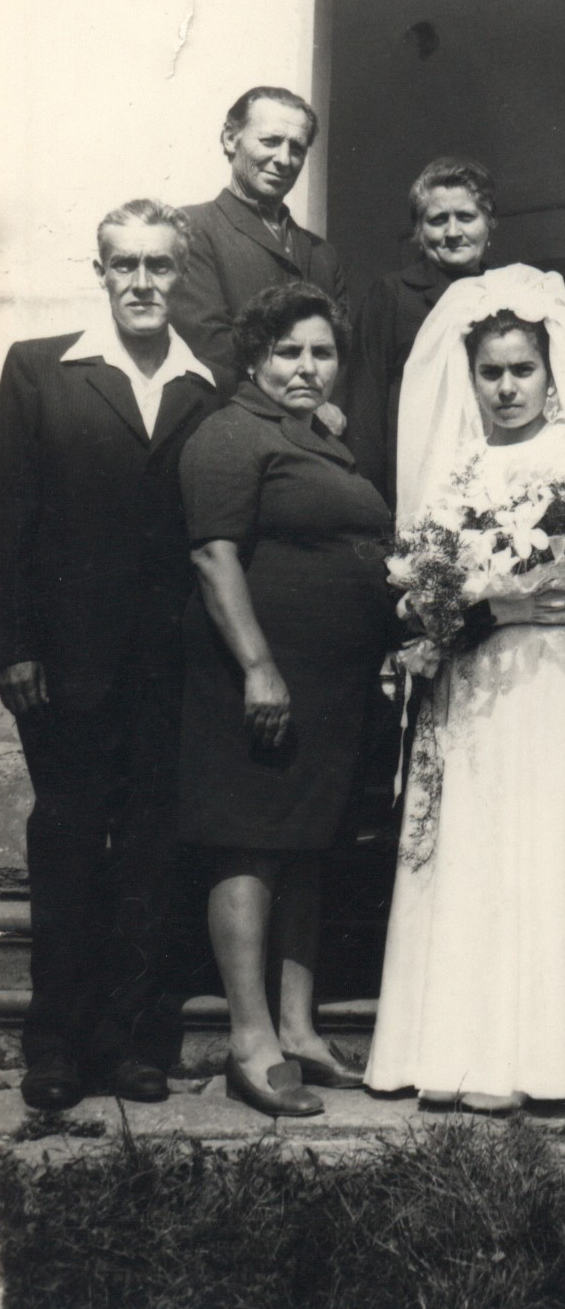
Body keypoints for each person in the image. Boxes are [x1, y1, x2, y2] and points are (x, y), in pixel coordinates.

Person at [365, 265, 565, 1113]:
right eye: (491, 372)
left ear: (550, 373)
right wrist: (436, 605)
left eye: (522, 370)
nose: (507, 388)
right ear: (469, 376)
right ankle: (448, 1049)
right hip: (469, 683)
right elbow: (420, 574)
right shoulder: (456, 467)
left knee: (538, 847)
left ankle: (537, 1060)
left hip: (545, 674)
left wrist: (498, 601)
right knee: (467, 847)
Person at [0, 199, 226, 1110]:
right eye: (124, 264)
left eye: (158, 265)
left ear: (181, 273)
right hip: (66, 665)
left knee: (149, 851)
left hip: (172, 667)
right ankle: (54, 1045)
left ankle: (131, 1042)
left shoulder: (208, 384)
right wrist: (15, 646)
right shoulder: (40, 370)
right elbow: (9, 515)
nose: (141, 282)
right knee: (66, 846)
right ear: (100, 272)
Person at [177, 282, 394, 1117]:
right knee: (250, 844)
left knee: (306, 849)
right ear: (255, 357)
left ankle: (299, 1031)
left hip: (330, 684)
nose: (307, 367)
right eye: (288, 352)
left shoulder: (319, 438)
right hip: (261, 677)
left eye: (322, 353)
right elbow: (214, 556)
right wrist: (260, 667)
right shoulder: (231, 433)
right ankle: (250, 1040)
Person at [346, 156, 497, 503]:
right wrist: (373, 505)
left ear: (489, 222)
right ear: (418, 232)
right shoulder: (392, 295)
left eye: (466, 217)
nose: (453, 232)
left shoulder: (504, 293)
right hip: (415, 484)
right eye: (438, 220)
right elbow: (365, 411)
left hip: (489, 483)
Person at [171, 86, 349, 379]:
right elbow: (210, 345)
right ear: (230, 139)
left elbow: (340, 353)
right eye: (270, 142)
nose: (284, 159)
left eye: (297, 148)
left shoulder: (323, 254)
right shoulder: (190, 228)